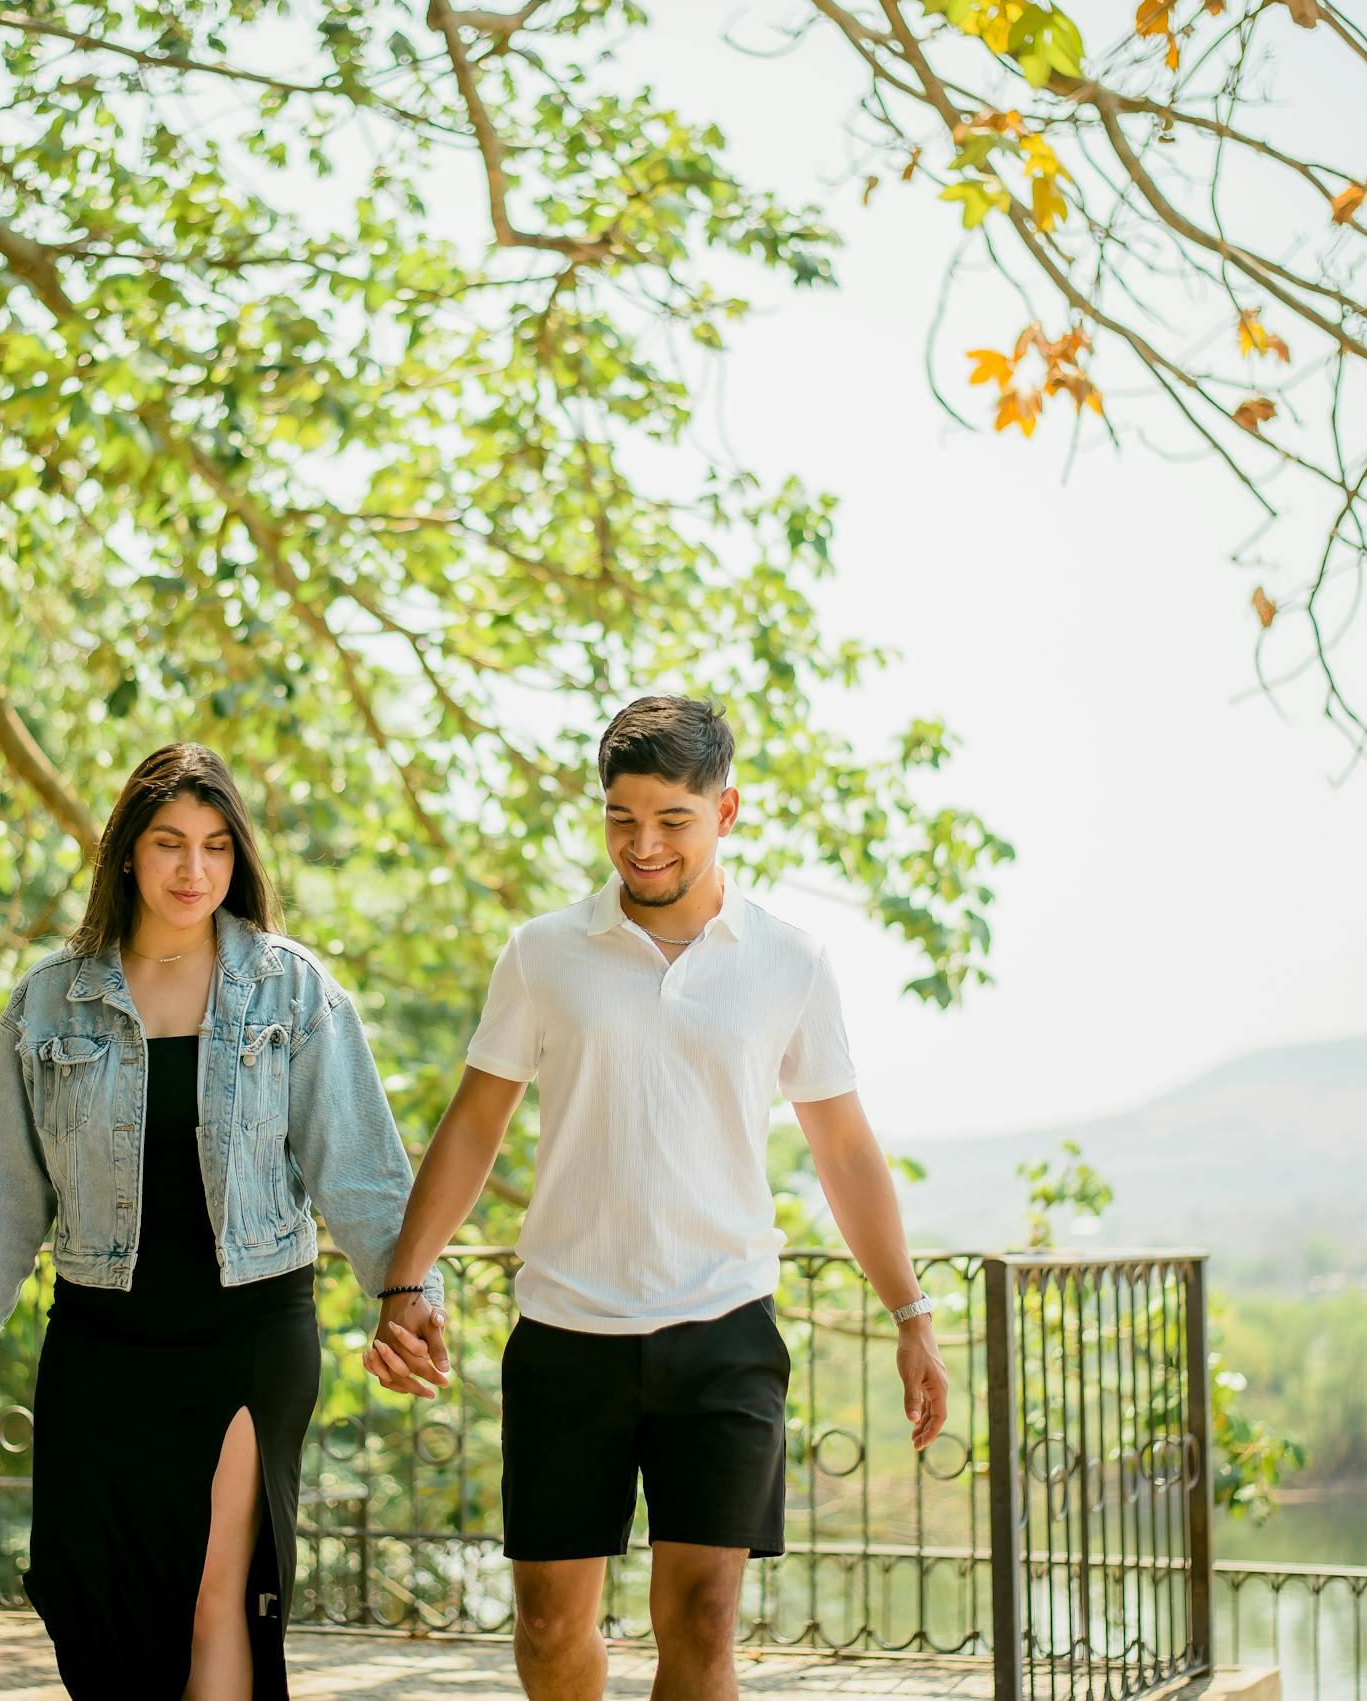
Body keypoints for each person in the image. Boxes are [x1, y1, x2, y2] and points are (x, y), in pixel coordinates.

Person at [364, 695, 950, 1701]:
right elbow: (472, 1125)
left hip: (724, 1328)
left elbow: (845, 1147)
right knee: (548, 1630)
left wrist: (909, 1311)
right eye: (620, 818)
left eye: (670, 820)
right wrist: (403, 1281)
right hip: (564, 1329)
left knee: (704, 1622)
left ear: (726, 812)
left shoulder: (789, 961)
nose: (641, 845)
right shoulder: (542, 953)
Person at [0, 743, 443, 1701]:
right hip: (100, 1340)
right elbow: (3, 1191)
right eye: (169, 844)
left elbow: (361, 1165)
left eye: (214, 847)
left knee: (220, 1593)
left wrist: (405, 1296)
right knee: (92, 1599)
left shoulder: (292, 989)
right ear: (128, 852)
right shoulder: (48, 999)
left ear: (238, 859)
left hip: (246, 1333)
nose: (193, 870)